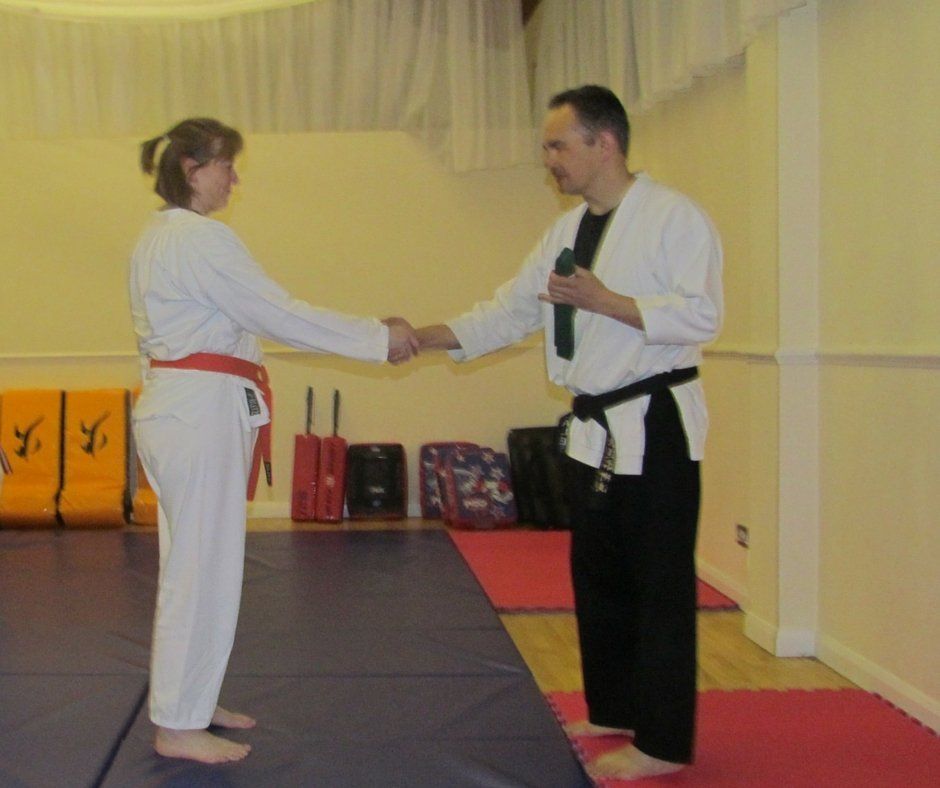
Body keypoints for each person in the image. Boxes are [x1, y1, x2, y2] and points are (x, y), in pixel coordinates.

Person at [415, 85, 722, 781]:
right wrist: (423, 336)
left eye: (558, 144)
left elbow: (702, 316)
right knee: (600, 572)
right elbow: (509, 310)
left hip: (657, 423)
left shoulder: (675, 218)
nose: (548, 159)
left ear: (603, 142)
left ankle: (664, 742)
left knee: (658, 583)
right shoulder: (566, 231)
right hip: (594, 427)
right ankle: (614, 706)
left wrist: (604, 301)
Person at [129, 117, 418, 765]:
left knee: (196, 564)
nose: (235, 177)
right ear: (193, 169)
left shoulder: (160, 237)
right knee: (199, 570)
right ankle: (177, 724)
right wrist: (378, 337)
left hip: (184, 409)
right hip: (197, 412)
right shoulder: (200, 240)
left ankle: (191, 703)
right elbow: (280, 313)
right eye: (227, 165)